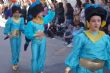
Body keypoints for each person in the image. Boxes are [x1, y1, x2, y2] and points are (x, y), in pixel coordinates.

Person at [65, 4, 110, 73]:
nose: (96, 23)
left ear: (101, 22)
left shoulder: (105, 38)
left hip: (99, 70)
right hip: (84, 69)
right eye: (93, 21)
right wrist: (69, 66)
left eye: (99, 21)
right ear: (88, 22)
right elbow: (75, 52)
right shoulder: (82, 37)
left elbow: (108, 52)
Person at [24, 2, 55, 73]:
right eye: (41, 11)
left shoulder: (43, 20)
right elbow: (28, 34)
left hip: (43, 41)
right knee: (34, 57)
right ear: (37, 12)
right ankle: (34, 71)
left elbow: (50, 17)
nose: (43, 12)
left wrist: (53, 8)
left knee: (42, 56)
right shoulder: (31, 23)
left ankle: (40, 70)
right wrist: (36, 35)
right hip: (35, 42)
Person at [3, 4, 24, 71]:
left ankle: (17, 62)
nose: (17, 14)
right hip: (13, 38)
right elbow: (6, 29)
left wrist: (29, 33)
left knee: (18, 50)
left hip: (19, 37)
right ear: (13, 12)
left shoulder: (21, 20)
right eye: (16, 12)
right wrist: (9, 34)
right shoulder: (10, 20)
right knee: (14, 51)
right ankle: (14, 63)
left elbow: (22, 29)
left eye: (18, 12)